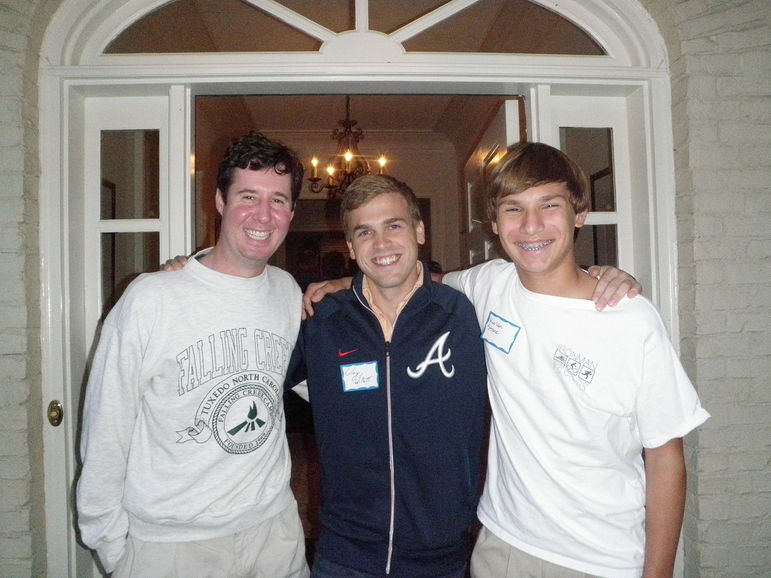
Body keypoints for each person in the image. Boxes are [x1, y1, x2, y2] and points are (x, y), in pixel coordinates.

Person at [440, 142, 709, 577]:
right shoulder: (489, 284)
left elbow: (665, 458)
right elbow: (419, 283)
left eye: (549, 205)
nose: (531, 225)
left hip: (599, 558)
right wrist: (346, 284)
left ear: (579, 213)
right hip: (502, 545)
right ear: (494, 222)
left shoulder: (630, 319)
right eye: (513, 208)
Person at [76, 132, 310, 577]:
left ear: (291, 213)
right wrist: (109, 543)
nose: (263, 215)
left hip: (273, 531)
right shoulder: (152, 299)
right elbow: (106, 425)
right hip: (172, 544)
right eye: (248, 196)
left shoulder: (286, 291)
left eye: (278, 201)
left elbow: (311, 380)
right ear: (220, 201)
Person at [285, 175, 489, 577]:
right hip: (345, 556)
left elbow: (543, 291)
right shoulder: (320, 321)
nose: (381, 244)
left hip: (443, 557)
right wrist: (198, 270)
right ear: (350, 247)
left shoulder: (467, 315)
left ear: (419, 231)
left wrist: (600, 277)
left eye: (393, 226)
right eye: (365, 232)